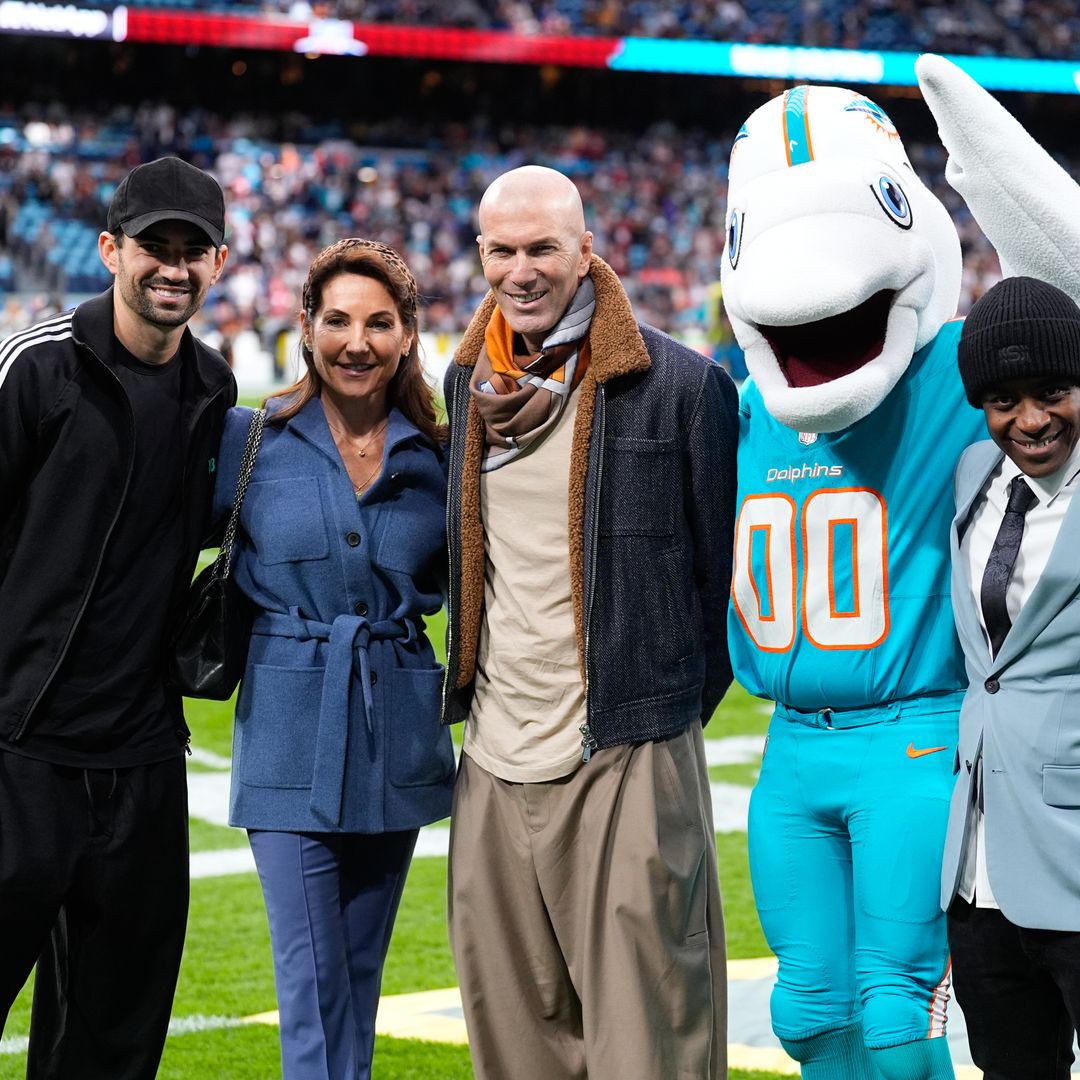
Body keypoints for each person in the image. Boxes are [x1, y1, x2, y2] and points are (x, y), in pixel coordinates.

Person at [442, 165, 738, 1080]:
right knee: (515, 1042)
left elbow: (719, 585)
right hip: (492, 758)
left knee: (652, 1042)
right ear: (480, 253)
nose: (522, 270)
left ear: (586, 250)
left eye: (543, 248)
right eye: (503, 250)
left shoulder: (682, 387)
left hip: (628, 749)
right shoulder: (462, 386)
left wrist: (653, 703)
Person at [0, 156, 233, 1078]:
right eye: (154, 247)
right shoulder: (40, 364)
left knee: (115, 1038)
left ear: (218, 263)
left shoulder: (214, 393)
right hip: (20, 747)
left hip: (141, 761)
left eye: (193, 250)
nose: (172, 268)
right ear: (110, 250)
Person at [214, 238, 453, 1080]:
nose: (359, 342)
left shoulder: (440, 457)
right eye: (340, 321)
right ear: (307, 328)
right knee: (310, 981)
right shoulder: (250, 442)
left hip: (395, 736)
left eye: (380, 323)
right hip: (285, 741)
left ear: (407, 333)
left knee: (357, 974)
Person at [944, 275, 1080, 1079]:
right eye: (1003, 401)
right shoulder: (973, 477)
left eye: (1054, 391)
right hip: (980, 866)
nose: (1030, 420)